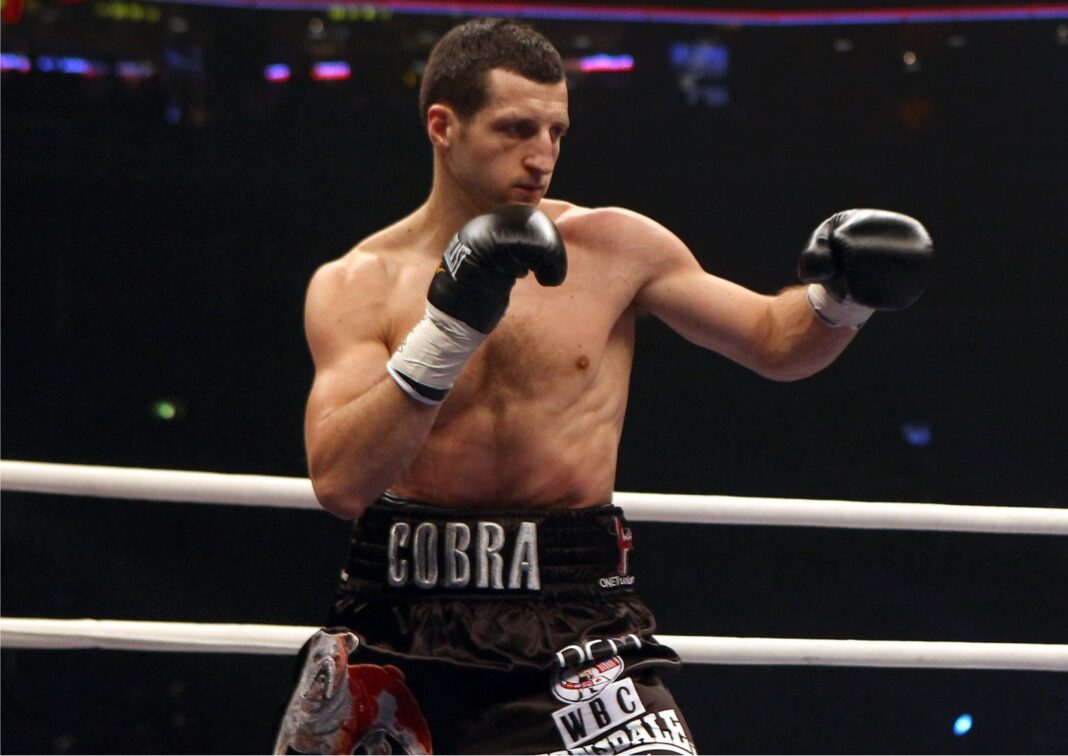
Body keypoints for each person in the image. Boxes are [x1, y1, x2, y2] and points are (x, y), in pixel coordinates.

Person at [274, 17, 933, 755]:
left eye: (556, 131)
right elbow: (341, 482)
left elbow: (774, 341)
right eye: (516, 129)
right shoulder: (357, 284)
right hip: (398, 615)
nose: (542, 156)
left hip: (575, 619)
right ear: (442, 126)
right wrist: (449, 328)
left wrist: (843, 296)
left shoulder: (614, 247)